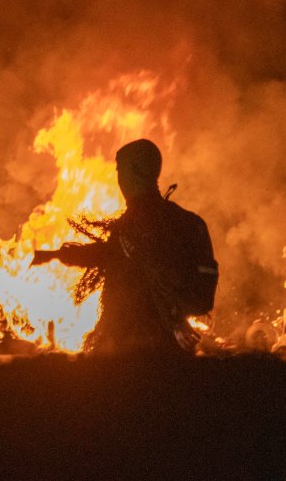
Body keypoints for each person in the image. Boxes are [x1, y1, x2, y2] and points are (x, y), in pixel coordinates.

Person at [31, 139, 218, 354]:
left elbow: (157, 269)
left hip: (136, 346)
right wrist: (59, 254)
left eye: (121, 170)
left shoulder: (141, 222)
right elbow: (108, 253)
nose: (119, 179)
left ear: (135, 171)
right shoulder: (183, 220)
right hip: (167, 347)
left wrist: (174, 319)